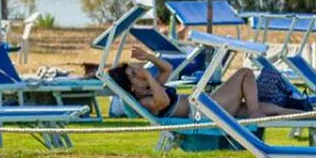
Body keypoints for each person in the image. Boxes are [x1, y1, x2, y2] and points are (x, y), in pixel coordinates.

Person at [108, 47, 300, 120]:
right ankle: (254, 114)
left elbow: (167, 69)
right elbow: (163, 101)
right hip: (205, 112)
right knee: (245, 73)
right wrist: (149, 77)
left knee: (272, 109)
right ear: (131, 87)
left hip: (210, 105)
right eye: (133, 73)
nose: (139, 71)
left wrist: (149, 56)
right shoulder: (145, 102)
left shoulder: (153, 87)